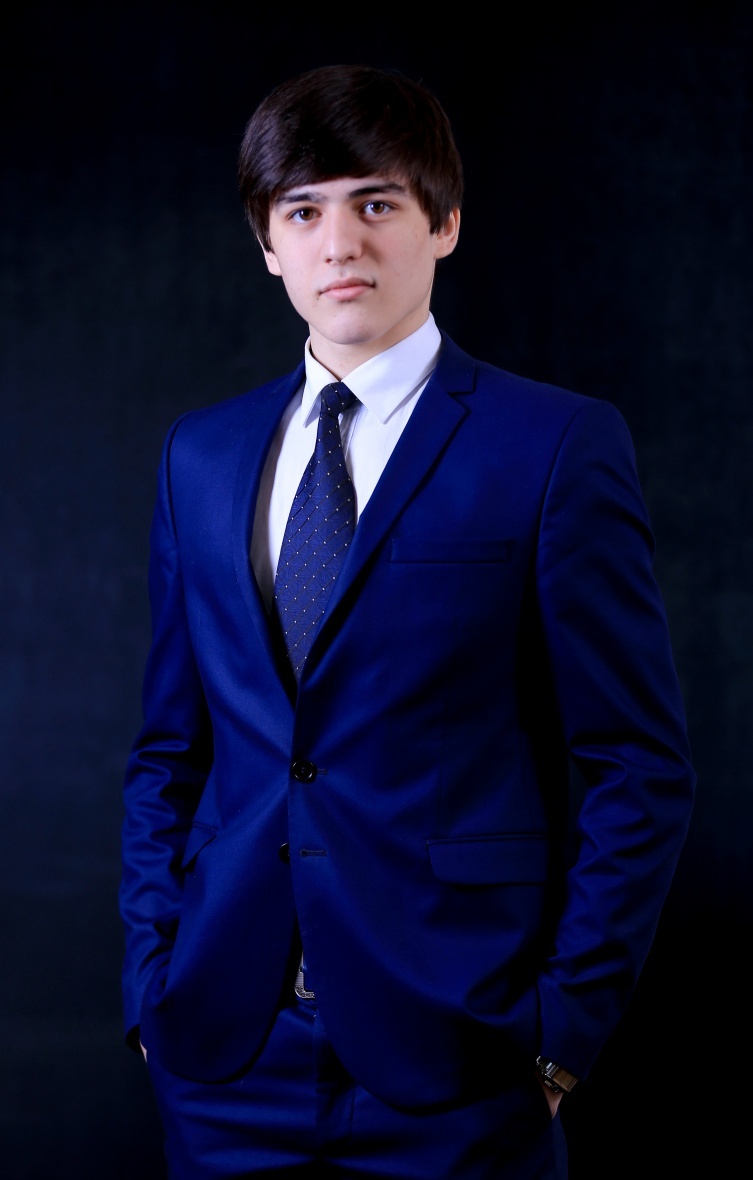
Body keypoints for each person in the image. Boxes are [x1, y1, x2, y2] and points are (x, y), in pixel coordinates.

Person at [119, 63, 696, 1179]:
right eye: (303, 211)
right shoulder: (201, 454)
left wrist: (559, 1036)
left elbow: (637, 762)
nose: (340, 243)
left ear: (444, 223)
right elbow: (167, 751)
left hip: (462, 1058)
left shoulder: (552, 444)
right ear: (267, 243)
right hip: (227, 1057)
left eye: (375, 202)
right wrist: (153, 988)